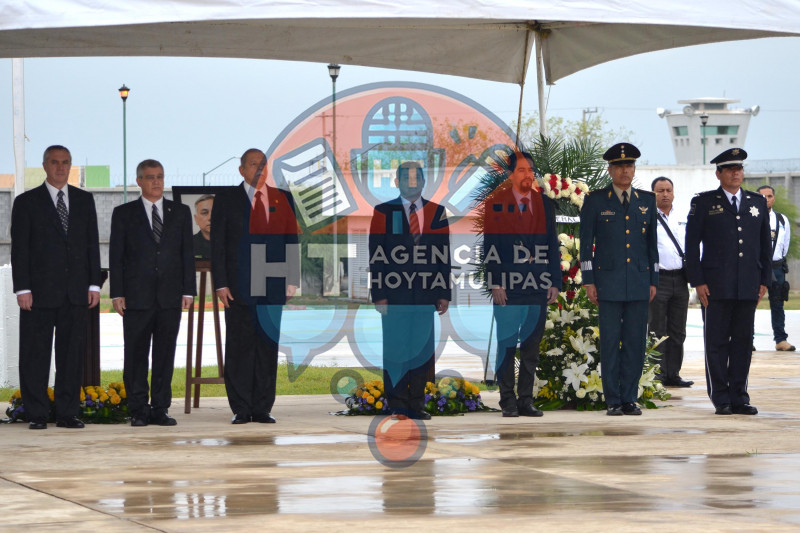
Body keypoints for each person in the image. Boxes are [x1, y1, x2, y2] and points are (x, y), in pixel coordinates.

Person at [10, 145, 101, 430]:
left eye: (65, 162)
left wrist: (94, 283)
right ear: (45, 166)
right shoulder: (26, 202)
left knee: (71, 356)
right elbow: (20, 249)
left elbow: (91, 245)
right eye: (55, 162)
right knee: (35, 355)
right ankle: (36, 413)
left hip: (75, 292)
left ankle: (67, 413)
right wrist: (22, 288)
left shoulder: (85, 201)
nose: (61, 167)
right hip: (38, 293)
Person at [211, 148, 299, 424]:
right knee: (239, 347)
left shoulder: (282, 198)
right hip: (238, 287)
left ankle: (262, 407)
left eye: (263, 165)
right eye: (253, 165)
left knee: (267, 346)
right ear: (241, 171)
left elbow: (291, 240)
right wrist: (221, 283)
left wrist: (292, 279)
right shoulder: (227, 200)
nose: (259, 170)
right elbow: (218, 245)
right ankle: (241, 407)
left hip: (273, 285)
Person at [109, 159, 196, 427]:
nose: (156, 182)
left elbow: (186, 254)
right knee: (135, 354)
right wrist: (117, 292)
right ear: (139, 181)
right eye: (150, 177)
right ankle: (137, 409)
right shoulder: (124, 213)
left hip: (170, 296)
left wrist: (188, 290)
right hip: (136, 297)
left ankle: (160, 408)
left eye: (159, 176)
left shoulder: (180, 212)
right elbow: (117, 256)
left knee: (164, 354)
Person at [685, 148, 771, 416]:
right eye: (730, 169)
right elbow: (691, 246)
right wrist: (698, 281)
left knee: (743, 342)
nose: (736, 173)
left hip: (747, 284)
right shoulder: (704, 203)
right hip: (715, 286)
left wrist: (764, 280)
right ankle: (720, 396)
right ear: (718, 173)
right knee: (717, 342)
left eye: (740, 168)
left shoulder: (756, 203)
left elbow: (764, 246)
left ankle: (739, 396)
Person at [579, 143, 658, 416]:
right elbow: (585, 244)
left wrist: (653, 280)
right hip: (607, 283)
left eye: (630, 165)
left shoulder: (647, 200)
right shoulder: (596, 200)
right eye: (620, 166)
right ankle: (612, 399)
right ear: (610, 169)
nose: (626, 170)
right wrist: (589, 280)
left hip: (638, 282)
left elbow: (652, 246)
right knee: (611, 343)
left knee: (636, 344)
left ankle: (629, 398)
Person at [369, 161, 451, 420]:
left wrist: (444, 293)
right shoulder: (383, 211)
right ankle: (397, 403)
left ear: (424, 182)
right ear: (397, 182)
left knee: (420, 351)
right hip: (394, 296)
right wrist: (379, 294)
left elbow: (443, 256)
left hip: (426, 296)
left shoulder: (438, 212)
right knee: (395, 350)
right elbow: (376, 256)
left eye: (416, 178)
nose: (411, 182)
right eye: (406, 178)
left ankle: (416, 404)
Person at [481, 151, 560, 417]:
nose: (528, 175)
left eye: (531, 170)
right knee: (506, 344)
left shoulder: (544, 203)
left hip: (538, 284)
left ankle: (525, 399)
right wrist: (495, 283)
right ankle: (508, 401)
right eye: (522, 170)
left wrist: (554, 281)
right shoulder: (496, 203)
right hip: (508, 286)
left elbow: (552, 245)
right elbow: (489, 246)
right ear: (511, 174)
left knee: (531, 347)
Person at [648, 177, 693, 387]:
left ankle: (673, 374)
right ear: (653, 194)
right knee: (657, 329)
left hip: (681, 279)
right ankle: (657, 374)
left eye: (668, 190)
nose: (665, 194)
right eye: (660, 191)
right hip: (659, 280)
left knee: (678, 330)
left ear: (673, 193)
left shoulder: (683, 216)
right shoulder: (647, 217)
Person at [756, 185, 794, 352]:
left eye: (769, 196)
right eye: (762, 196)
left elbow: (785, 245)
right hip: (756, 267)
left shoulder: (782, 220)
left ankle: (781, 339)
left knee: (778, 304)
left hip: (777, 266)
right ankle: (746, 340)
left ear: (774, 198)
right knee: (750, 304)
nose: (766, 199)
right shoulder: (751, 218)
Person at [192, 194, 214, 259]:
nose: (210, 217)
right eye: (204, 213)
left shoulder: (233, 243)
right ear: (196, 219)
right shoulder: (188, 245)